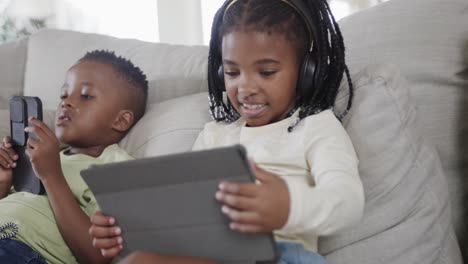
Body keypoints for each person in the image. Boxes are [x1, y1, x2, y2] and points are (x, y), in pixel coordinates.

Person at [89, 0, 364, 263]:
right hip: (213, 254)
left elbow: (348, 202)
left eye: (266, 72)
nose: (245, 88)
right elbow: (184, 212)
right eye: (232, 73)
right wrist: (126, 228)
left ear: (307, 71)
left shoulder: (316, 127)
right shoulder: (214, 135)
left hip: (284, 254)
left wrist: (288, 207)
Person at [0, 50, 148, 264]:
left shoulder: (117, 168)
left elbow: (97, 256)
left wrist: (51, 175)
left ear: (121, 120)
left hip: (23, 252)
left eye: (86, 95)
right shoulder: (44, 154)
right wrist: (4, 182)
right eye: (64, 95)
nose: (66, 103)